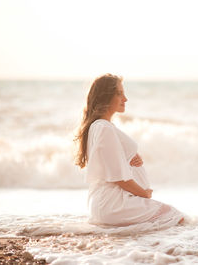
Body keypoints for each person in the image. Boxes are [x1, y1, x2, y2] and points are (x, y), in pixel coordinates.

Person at [75, 73, 185, 227]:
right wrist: (144, 194)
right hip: (113, 204)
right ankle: (161, 250)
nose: (125, 99)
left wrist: (129, 158)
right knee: (175, 217)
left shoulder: (99, 126)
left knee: (167, 220)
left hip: (108, 202)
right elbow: (119, 178)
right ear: (106, 97)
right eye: (119, 94)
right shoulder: (104, 128)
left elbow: (111, 166)